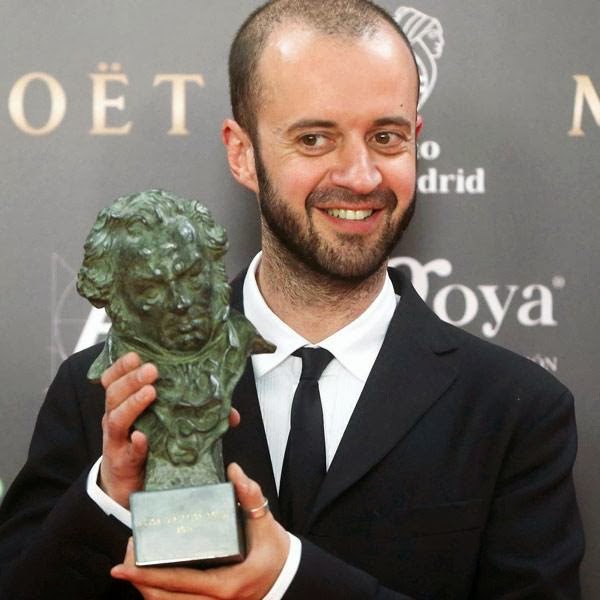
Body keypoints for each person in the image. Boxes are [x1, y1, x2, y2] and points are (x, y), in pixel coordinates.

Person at [0, 1, 584, 599]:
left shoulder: (515, 411)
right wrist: (109, 495)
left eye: (386, 137)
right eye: (314, 138)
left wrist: (290, 579)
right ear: (242, 153)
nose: (360, 176)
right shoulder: (102, 393)